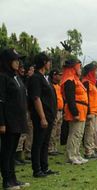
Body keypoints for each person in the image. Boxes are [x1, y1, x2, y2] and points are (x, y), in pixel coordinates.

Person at [0, 48, 30, 189]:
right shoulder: (2, 77)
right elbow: (1, 101)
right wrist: (2, 123)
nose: (18, 63)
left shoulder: (16, 77)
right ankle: (6, 181)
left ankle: (13, 179)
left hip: (18, 120)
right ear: (7, 61)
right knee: (6, 152)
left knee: (12, 152)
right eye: (15, 60)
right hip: (8, 121)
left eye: (19, 60)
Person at [27, 52, 58, 177]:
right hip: (41, 117)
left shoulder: (44, 77)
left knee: (45, 142)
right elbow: (36, 98)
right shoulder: (35, 78)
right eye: (49, 61)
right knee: (38, 142)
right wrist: (42, 117)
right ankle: (37, 169)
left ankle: (44, 167)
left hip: (49, 116)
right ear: (44, 63)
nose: (50, 64)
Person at [61, 59, 88, 165]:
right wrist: (75, 113)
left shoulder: (76, 80)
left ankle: (76, 154)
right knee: (74, 134)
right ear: (74, 68)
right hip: (76, 110)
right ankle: (71, 156)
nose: (81, 69)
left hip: (81, 110)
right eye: (79, 67)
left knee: (79, 134)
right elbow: (70, 98)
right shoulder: (69, 80)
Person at [82, 63, 97, 159]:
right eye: (96, 71)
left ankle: (92, 150)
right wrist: (88, 112)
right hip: (90, 112)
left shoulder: (92, 83)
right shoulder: (86, 82)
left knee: (93, 132)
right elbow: (86, 98)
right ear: (91, 72)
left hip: (95, 112)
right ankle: (88, 152)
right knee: (89, 132)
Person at [48, 69, 64, 155]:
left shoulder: (58, 86)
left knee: (58, 130)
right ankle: (50, 148)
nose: (61, 76)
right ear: (54, 75)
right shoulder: (50, 85)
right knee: (52, 130)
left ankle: (55, 147)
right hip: (54, 110)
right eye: (59, 75)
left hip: (60, 111)